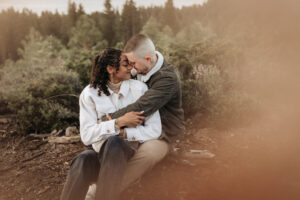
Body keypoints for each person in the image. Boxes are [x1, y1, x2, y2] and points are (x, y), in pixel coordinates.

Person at [60, 48, 168, 200]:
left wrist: (124, 133)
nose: (131, 67)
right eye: (126, 64)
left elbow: (154, 130)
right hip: (100, 155)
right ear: (110, 69)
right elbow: (86, 135)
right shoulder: (89, 94)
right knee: (82, 160)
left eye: (131, 64)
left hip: (128, 153)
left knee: (115, 143)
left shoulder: (140, 90)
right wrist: (119, 122)